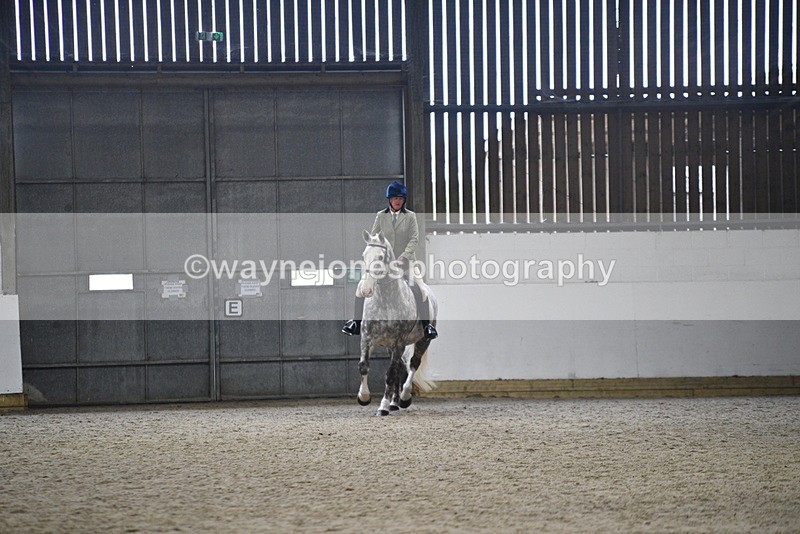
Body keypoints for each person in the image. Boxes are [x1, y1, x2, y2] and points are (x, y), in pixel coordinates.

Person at [341, 180, 438, 340]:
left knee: (421, 289)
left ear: (403, 200)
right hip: (383, 264)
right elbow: (373, 238)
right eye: (395, 198)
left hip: (406, 263)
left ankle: (427, 326)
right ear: (390, 200)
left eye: (400, 198)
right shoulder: (381, 216)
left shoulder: (410, 217)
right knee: (360, 288)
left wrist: (404, 255)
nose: (397, 201)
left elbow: (414, 239)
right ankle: (355, 323)